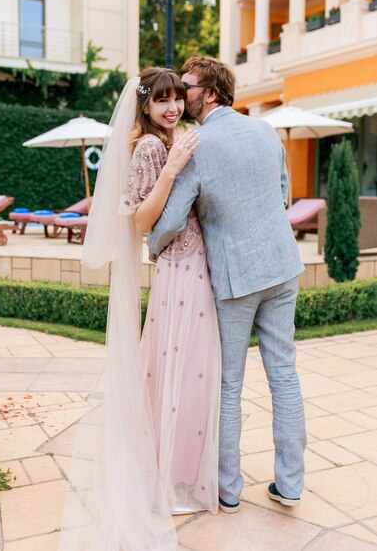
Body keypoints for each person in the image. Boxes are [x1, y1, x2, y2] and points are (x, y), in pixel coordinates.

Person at [58, 68, 220, 551]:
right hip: (179, 265)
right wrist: (171, 171)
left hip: (193, 263)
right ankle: (169, 476)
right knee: (181, 369)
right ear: (145, 106)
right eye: (163, 101)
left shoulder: (174, 138)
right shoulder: (152, 147)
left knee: (187, 369)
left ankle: (176, 468)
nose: (172, 108)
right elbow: (140, 220)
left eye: (177, 99)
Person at [148, 56, 307, 514]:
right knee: (284, 375)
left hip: (236, 279)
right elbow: (282, 192)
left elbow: (172, 219)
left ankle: (228, 490)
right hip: (282, 266)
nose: (181, 91)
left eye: (188, 85)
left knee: (229, 384)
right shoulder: (265, 129)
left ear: (211, 93)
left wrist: (152, 246)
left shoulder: (196, 143)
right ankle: (291, 484)